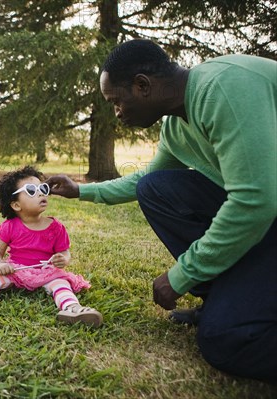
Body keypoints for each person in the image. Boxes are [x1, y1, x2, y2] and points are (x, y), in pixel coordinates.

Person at [47, 39, 276, 381]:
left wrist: (184, 274)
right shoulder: (176, 126)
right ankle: (222, 297)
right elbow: (145, 180)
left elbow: (255, 202)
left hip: (267, 211)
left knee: (225, 340)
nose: (117, 112)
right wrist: (81, 191)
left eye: (116, 102)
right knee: (154, 189)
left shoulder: (223, 89)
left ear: (142, 86)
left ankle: (238, 310)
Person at [0, 165, 103, 327]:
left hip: (46, 271)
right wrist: (0, 264)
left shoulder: (56, 227)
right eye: (32, 190)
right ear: (16, 205)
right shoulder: (10, 226)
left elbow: (64, 252)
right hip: (15, 270)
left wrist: (63, 259)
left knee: (61, 284)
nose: (40, 192)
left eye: (43, 188)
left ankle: (72, 308)